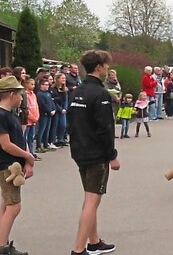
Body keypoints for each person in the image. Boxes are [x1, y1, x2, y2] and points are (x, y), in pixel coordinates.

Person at [67, 50, 119, 255]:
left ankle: (94, 241)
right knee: (92, 200)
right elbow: (105, 128)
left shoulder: (77, 91)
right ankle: (78, 250)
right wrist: (112, 155)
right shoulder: (100, 94)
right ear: (99, 67)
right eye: (106, 66)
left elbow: (71, 122)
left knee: (90, 197)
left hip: (80, 150)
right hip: (96, 154)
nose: (107, 69)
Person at [0, 76, 34, 255]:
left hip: (14, 163)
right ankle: (1, 248)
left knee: (6, 204)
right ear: (11, 94)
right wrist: (27, 156)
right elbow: (6, 144)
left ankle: (3, 242)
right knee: (14, 206)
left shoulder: (11, 115)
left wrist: (28, 160)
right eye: (20, 94)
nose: (22, 98)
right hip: (6, 164)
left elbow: (21, 140)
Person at [35, 79, 56, 152]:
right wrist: (49, 111)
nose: (47, 86)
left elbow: (52, 102)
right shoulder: (39, 94)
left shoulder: (48, 94)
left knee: (47, 130)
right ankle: (38, 146)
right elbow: (42, 105)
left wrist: (54, 109)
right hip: (43, 114)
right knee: (41, 130)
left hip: (49, 115)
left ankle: (46, 144)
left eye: (48, 85)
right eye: (46, 85)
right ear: (41, 85)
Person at [50, 74, 69, 147]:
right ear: (57, 79)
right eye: (62, 78)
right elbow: (54, 100)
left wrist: (65, 108)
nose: (64, 79)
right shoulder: (53, 89)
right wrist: (60, 109)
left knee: (63, 125)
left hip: (63, 108)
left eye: (64, 78)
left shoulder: (65, 89)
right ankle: (54, 140)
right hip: (56, 108)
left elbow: (66, 100)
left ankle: (61, 139)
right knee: (55, 125)